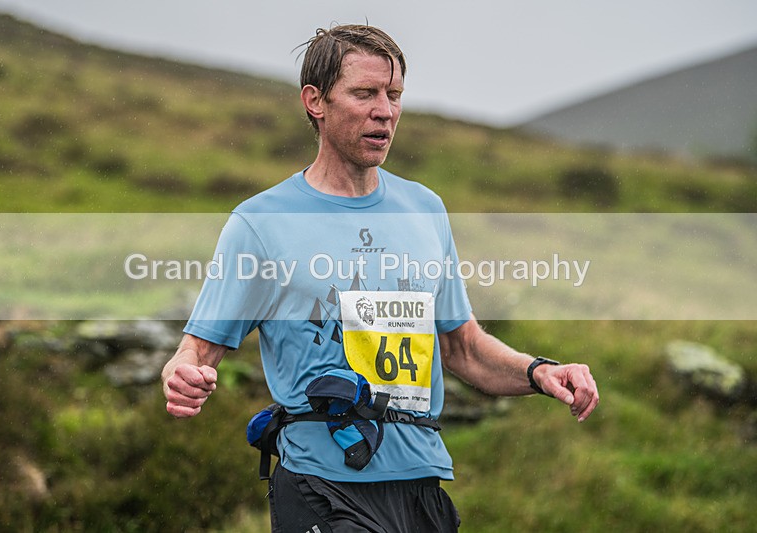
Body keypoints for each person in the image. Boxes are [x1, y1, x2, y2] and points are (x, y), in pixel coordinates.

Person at [161, 24, 599, 532]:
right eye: (364, 93)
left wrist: (539, 372)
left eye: (394, 96)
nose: (385, 111)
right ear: (315, 101)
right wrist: (182, 374)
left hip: (420, 481)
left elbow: (461, 347)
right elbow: (196, 349)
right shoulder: (261, 224)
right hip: (322, 480)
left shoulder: (425, 209)